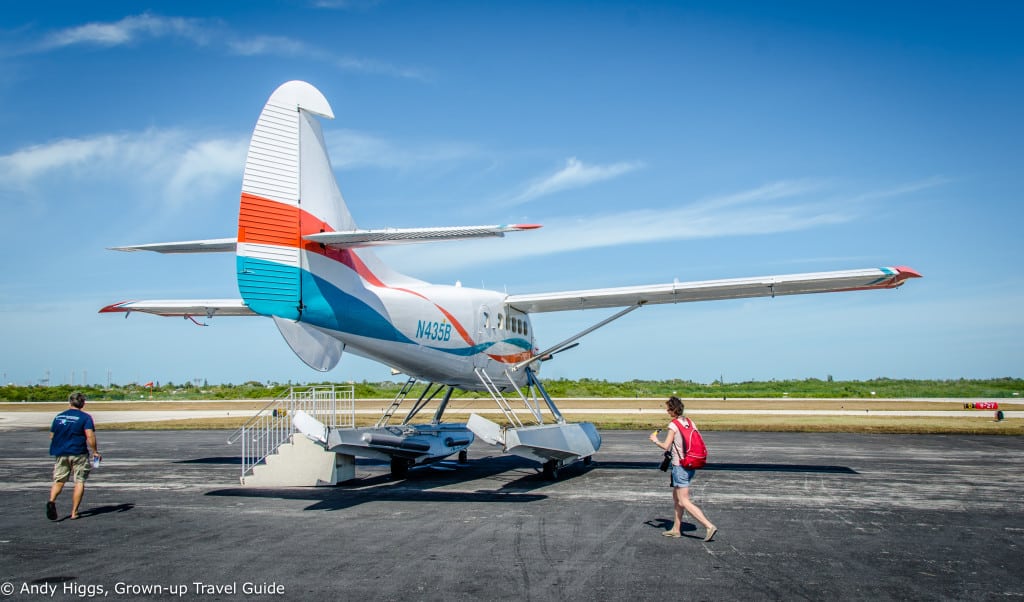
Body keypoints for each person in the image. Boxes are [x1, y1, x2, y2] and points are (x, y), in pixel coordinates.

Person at [649, 396, 717, 541]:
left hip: (680, 466)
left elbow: (665, 446)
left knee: (684, 500)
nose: (667, 411)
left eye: (668, 409)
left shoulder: (673, 425)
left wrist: (655, 440)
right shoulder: (689, 422)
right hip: (691, 463)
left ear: (673, 410)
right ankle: (676, 529)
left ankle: (708, 525)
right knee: (677, 498)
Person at [47, 392, 101, 520]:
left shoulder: (59, 417)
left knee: (59, 480)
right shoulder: (85, 417)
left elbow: (52, 435)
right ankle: (74, 512)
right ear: (83, 403)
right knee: (79, 481)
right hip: (78, 452)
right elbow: (90, 436)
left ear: (69, 402)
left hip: (60, 452)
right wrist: (95, 451)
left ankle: (52, 500)